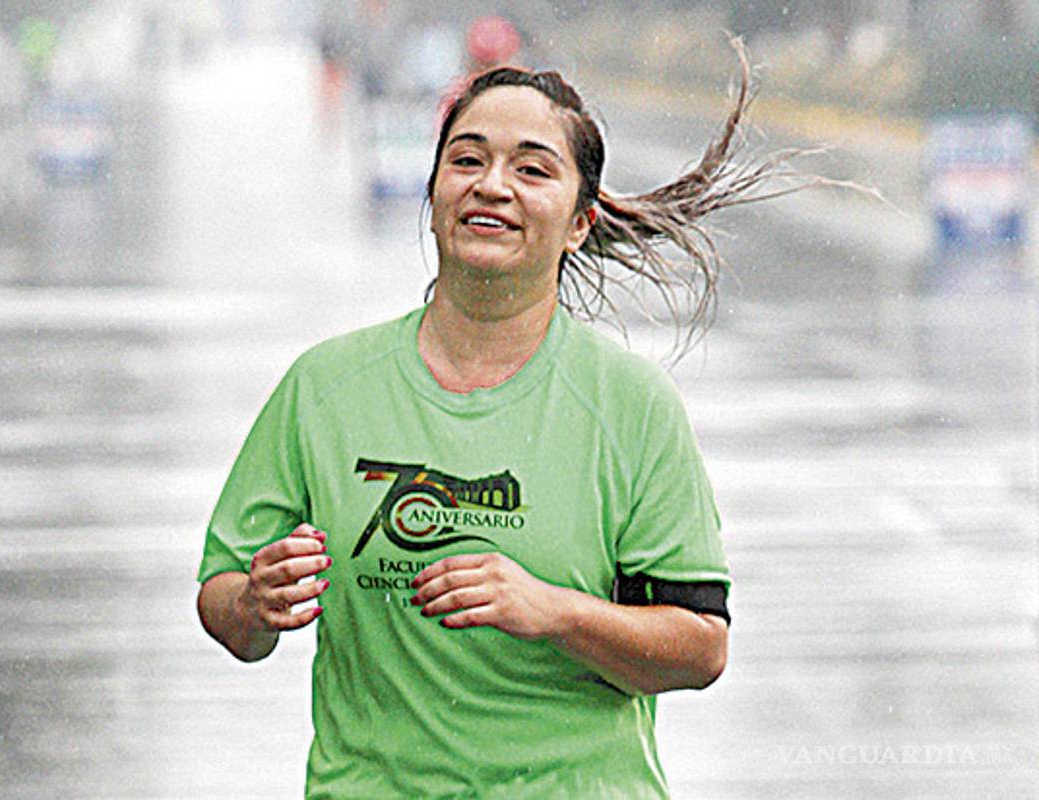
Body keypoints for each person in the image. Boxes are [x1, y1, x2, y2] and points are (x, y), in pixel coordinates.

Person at [198, 43, 799, 798]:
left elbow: (698, 646)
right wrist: (255, 603)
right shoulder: (325, 388)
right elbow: (222, 597)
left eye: (532, 169)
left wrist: (552, 612)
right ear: (434, 192)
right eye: (467, 160)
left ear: (579, 223)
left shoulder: (630, 405)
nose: (492, 186)